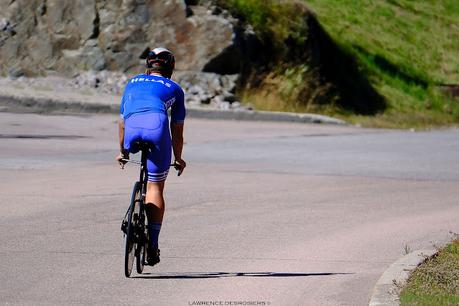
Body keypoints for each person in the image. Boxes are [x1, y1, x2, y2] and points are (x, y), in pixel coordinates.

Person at [116, 47, 186, 266]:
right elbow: (177, 130)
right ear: (170, 68)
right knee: (155, 187)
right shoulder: (175, 88)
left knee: (137, 156)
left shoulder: (132, 82)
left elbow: (122, 121)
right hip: (156, 125)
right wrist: (179, 157)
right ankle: (152, 246)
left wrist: (123, 152)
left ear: (148, 67)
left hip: (132, 128)